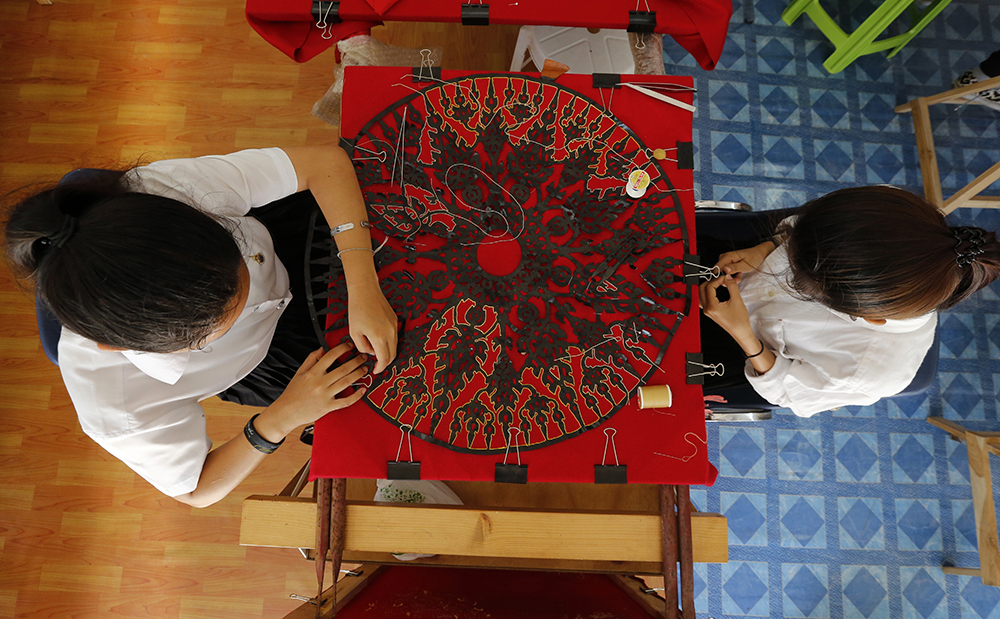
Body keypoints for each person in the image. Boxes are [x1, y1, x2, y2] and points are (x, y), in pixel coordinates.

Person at [3, 145, 398, 506]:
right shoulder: (114, 403)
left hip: (291, 245)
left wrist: (363, 285)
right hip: (270, 361)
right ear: (123, 347)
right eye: (215, 329)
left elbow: (323, 163)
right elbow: (196, 489)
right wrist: (283, 417)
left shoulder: (160, 193)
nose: (244, 305)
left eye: (237, 274)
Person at [697, 185, 1000, 417]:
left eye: (797, 279)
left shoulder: (876, 373)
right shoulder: (889, 209)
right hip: (736, 265)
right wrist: (768, 248)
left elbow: (788, 390)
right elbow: (803, 222)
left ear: (871, 317)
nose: (786, 267)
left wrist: (744, 335)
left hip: (737, 346)